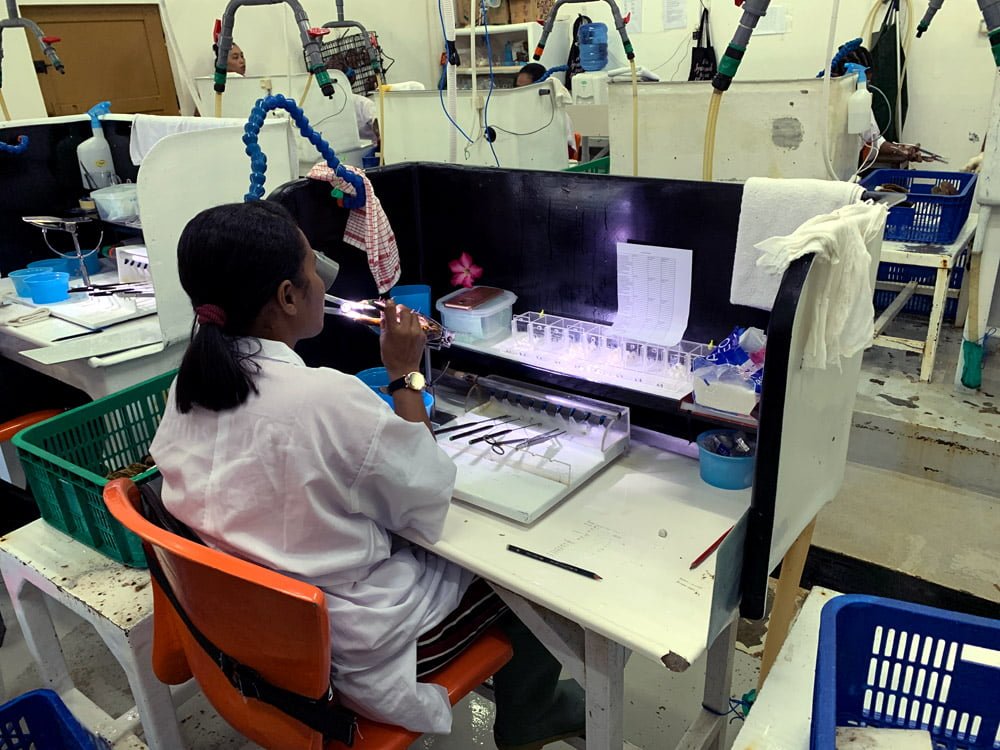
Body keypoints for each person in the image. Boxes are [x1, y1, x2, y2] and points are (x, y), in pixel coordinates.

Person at [149, 201, 584, 749]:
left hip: (250, 638)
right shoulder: (323, 399)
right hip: (355, 652)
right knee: (531, 581)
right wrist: (406, 375)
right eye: (313, 269)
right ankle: (533, 714)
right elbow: (427, 496)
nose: (322, 281)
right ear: (286, 297)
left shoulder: (187, 388)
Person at [829, 42, 933, 167]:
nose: (868, 84)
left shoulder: (859, 101)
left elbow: (871, 143)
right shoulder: (827, 102)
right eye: (866, 80)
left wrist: (901, 151)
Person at [514, 63, 578, 159]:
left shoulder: (556, 114)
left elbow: (568, 152)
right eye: (517, 88)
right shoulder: (516, 113)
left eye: (525, 89)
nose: (520, 94)